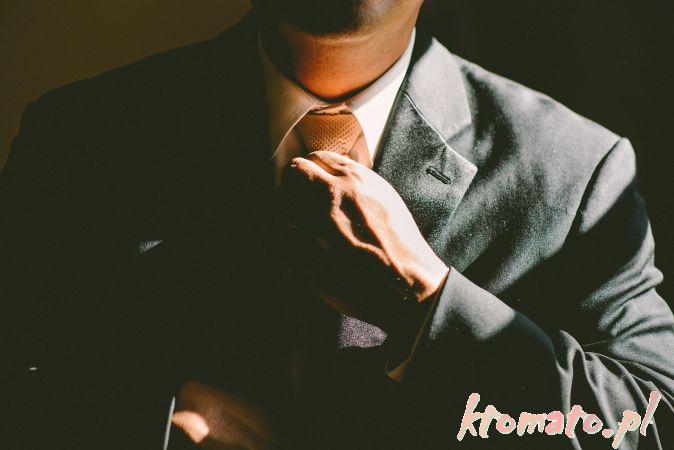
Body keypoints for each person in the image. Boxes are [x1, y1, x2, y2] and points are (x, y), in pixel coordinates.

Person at [2, 1, 673, 449]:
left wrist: (429, 299)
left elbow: (652, 423)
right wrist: (145, 421)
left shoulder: (575, 172)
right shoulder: (79, 141)